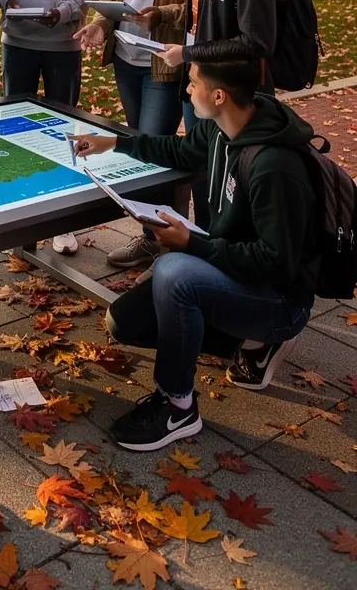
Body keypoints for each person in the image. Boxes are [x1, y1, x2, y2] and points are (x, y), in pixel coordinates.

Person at [72, 55, 315, 451]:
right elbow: (180, 150)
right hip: (234, 272)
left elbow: (276, 261)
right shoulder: (222, 129)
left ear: (217, 95)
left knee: (174, 273)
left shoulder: (274, 166)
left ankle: (178, 405)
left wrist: (191, 244)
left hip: (279, 299)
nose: (186, 90)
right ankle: (251, 344)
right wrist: (114, 143)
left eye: (192, 83)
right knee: (124, 322)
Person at [70, 0, 188, 267]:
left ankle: (166, 240)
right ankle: (156, 237)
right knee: (141, 148)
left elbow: (196, 2)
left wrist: (162, 14)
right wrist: (101, 24)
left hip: (163, 59)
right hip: (126, 54)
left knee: (153, 148)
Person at [158, 0, 288, 225]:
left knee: (230, 187)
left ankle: (216, 255)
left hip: (235, 99)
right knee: (203, 173)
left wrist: (187, 54)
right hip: (202, 87)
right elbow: (205, 18)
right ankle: (195, 242)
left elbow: (256, 41)